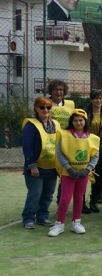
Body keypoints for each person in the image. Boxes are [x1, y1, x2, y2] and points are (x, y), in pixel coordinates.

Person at [49, 109, 100, 237]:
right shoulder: (64, 134)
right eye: (76, 120)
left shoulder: (92, 138)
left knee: (79, 198)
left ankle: (76, 222)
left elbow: (95, 155)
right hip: (68, 173)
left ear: (85, 121)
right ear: (72, 121)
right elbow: (60, 153)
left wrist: (88, 170)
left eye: (81, 120)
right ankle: (59, 224)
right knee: (65, 199)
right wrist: (68, 168)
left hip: (83, 174)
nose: (78, 123)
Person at [21, 97, 60, 229]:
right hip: (36, 167)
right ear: (36, 109)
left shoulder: (55, 124)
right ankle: (28, 218)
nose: (45, 110)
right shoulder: (31, 125)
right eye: (42, 107)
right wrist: (32, 165)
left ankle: (42, 216)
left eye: (48, 107)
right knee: (35, 194)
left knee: (48, 194)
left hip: (52, 167)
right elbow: (27, 146)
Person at [85, 89, 102, 213]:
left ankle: (94, 201)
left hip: (100, 148)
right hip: (86, 147)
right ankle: (81, 202)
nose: (99, 100)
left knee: (97, 176)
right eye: (96, 98)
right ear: (91, 99)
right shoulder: (86, 114)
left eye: (101, 98)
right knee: (84, 175)